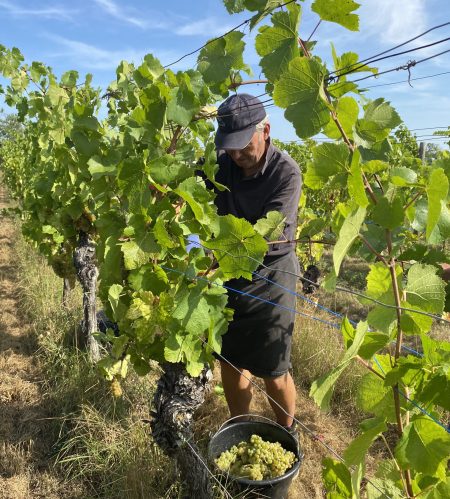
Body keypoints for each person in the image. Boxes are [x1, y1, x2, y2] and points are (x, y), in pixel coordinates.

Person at [211, 93, 302, 433]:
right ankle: (239, 427)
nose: (235, 154)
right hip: (230, 274)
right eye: (228, 146)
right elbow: (190, 196)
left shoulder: (286, 174)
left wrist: (216, 250)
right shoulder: (223, 163)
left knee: (274, 370)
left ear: (265, 130)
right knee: (231, 361)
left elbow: (269, 239)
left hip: (271, 277)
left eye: (242, 145)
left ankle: (287, 430)